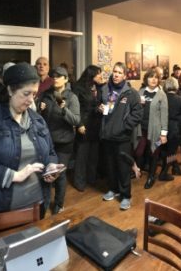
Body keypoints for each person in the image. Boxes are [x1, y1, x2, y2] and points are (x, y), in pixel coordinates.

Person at [0, 62, 63, 219]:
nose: (31, 100)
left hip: (36, 206)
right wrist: (14, 176)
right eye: (26, 94)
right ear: (10, 90)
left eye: (34, 94)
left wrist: (50, 166)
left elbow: (50, 151)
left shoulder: (37, 120)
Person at [99, 62, 143, 211]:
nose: (116, 75)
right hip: (107, 136)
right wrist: (100, 108)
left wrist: (125, 127)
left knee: (123, 168)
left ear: (124, 75)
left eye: (119, 72)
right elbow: (102, 106)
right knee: (110, 166)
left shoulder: (131, 93)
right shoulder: (105, 89)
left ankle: (125, 196)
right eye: (114, 72)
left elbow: (138, 114)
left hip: (122, 137)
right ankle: (113, 189)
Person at [38, 66, 81, 214]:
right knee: (46, 173)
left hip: (64, 141)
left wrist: (64, 110)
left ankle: (58, 204)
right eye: (53, 76)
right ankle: (43, 203)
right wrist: (39, 109)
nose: (55, 78)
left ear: (66, 79)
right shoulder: (45, 94)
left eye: (59, 76)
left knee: (60, 174)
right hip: (47, 141)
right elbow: (38, 118)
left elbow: (76, 120)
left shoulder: (72, 97)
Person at [71, 65, 105, 189]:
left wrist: (100, 107)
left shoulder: (99, 87)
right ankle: (79, 182)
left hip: (96, 125)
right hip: (84, 125)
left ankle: (91, 179)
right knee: (82, 156)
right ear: (91, 75)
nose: (100, 76)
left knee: (93, 155)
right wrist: (78, 124)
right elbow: (75, 107)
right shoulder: (78, 87)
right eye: (98, 74)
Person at [136, 68, 170, 189]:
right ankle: (137, 169)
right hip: (141, 129)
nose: (154, 79)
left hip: (156, 131)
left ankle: (151, 176)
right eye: (151, 77)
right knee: (138, 151)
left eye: (156, 77)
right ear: (146, 79)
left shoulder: (162, 95)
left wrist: (163, 134)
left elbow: (164, 115)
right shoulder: (140, 92)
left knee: (154, 153)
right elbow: (134, 109)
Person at [164, 76, 181, 177]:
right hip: (175, 129)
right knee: (171, 152)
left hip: (163, 128)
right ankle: (164, 172)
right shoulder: (180, 100)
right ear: (176, 86)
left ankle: (175, 168)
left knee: (170, 150)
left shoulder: (162, 98)